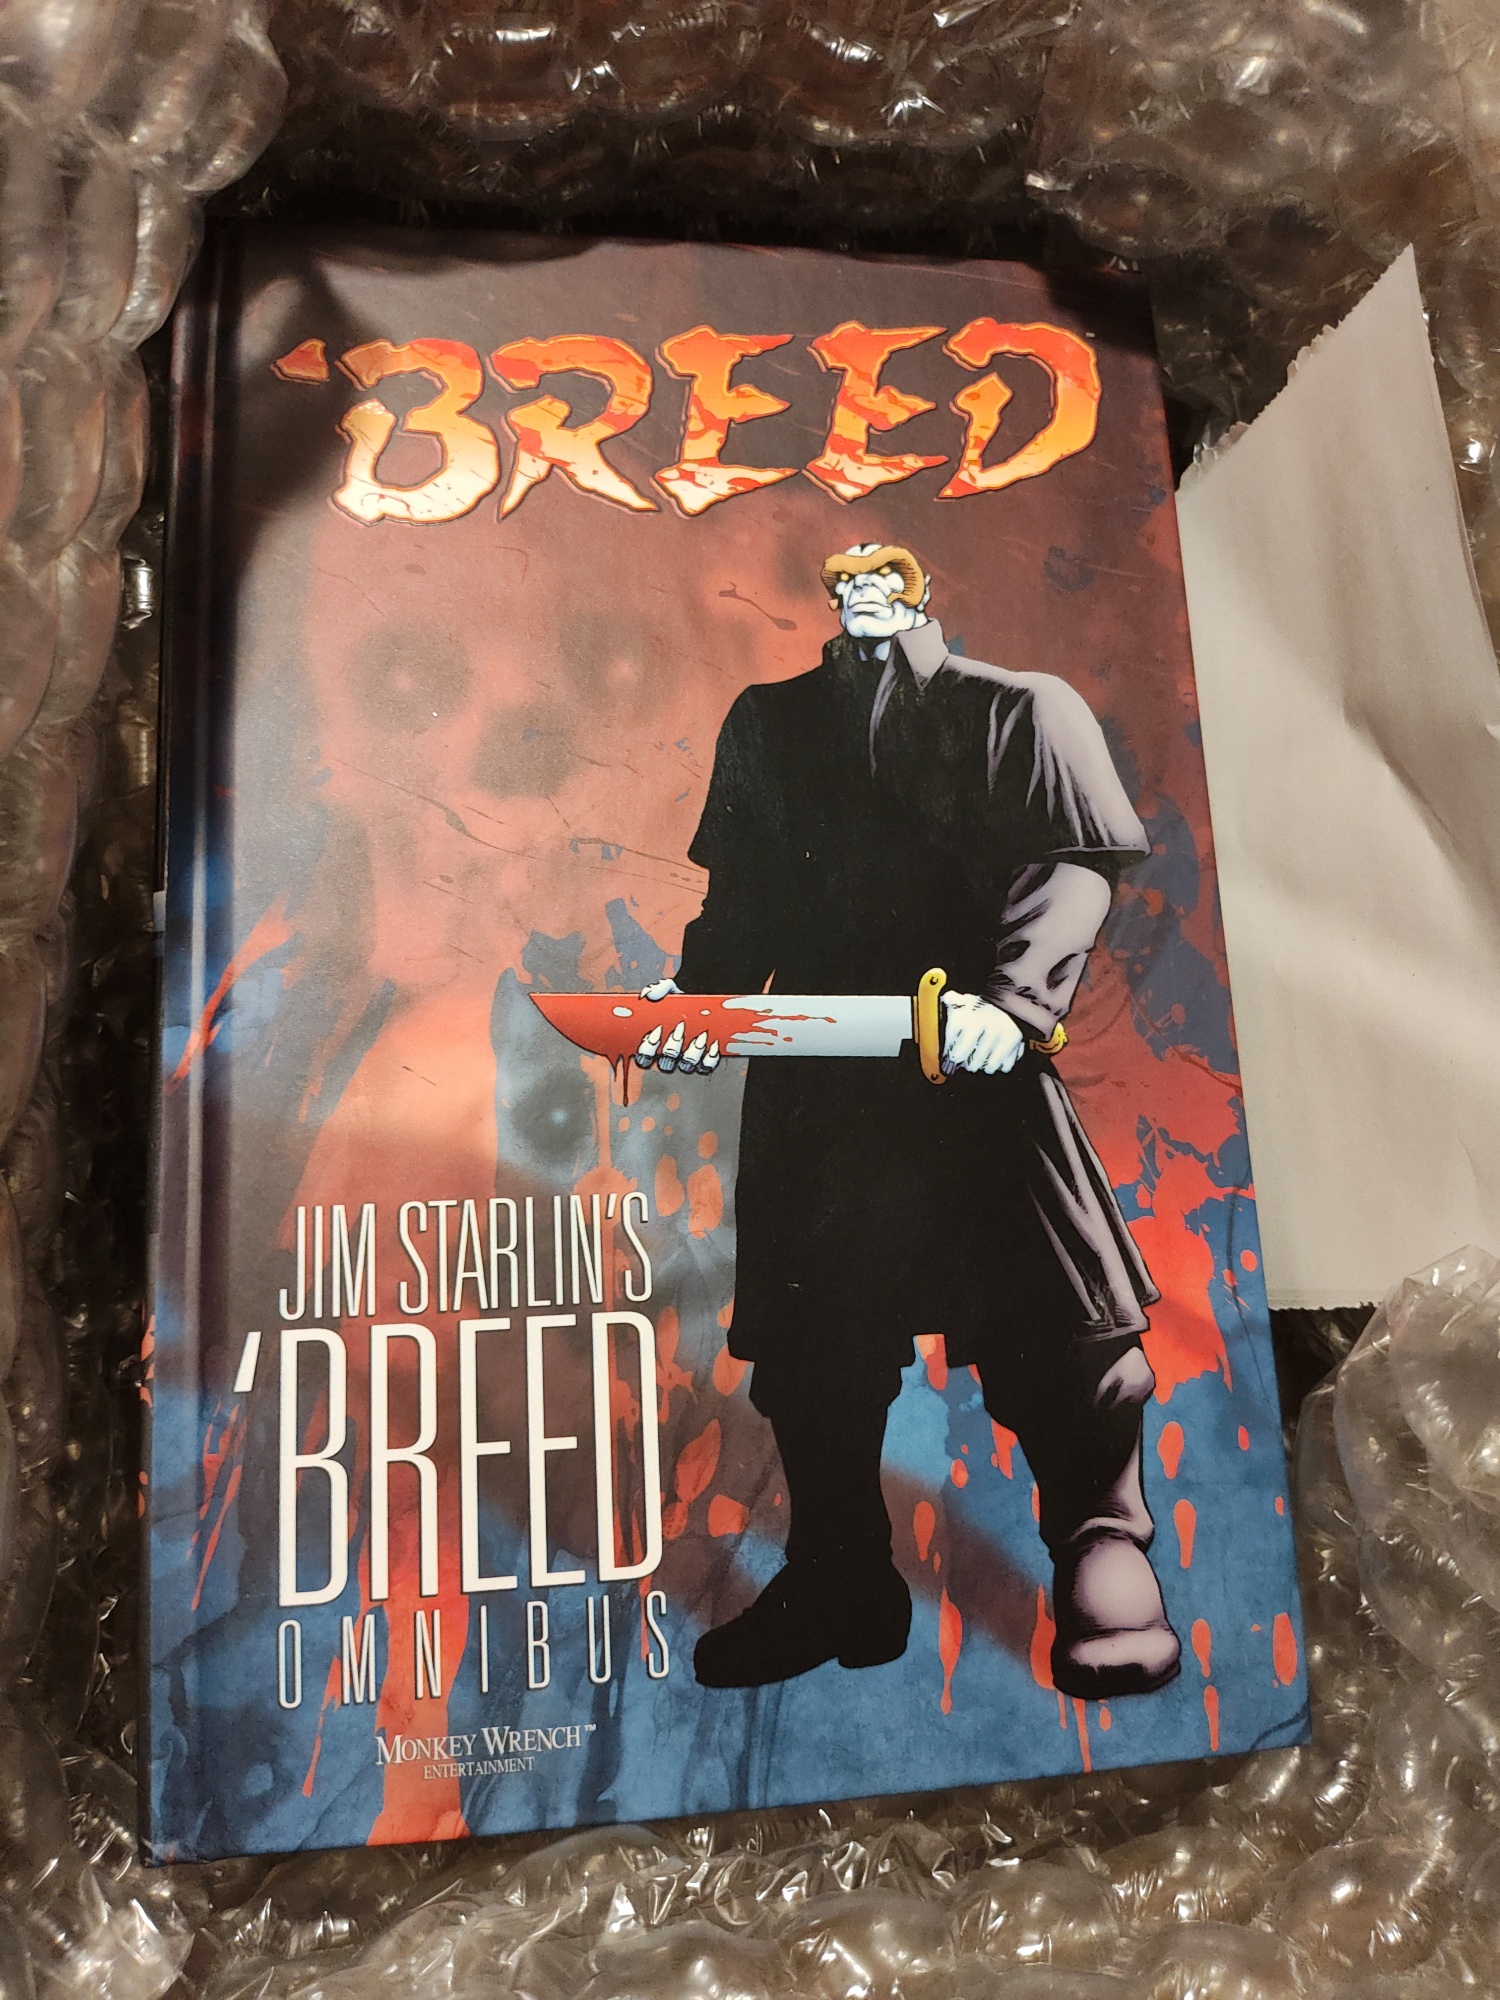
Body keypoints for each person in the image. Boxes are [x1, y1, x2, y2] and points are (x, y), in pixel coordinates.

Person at [636, 542, 1181, 1700]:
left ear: (921, 587)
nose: (862, 596)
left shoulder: (1017, 710)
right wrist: (697, 1006)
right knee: (812, 1352)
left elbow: (1073, 861)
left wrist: (1017, 1000)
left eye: (883, 577)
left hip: (976, 1067)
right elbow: (741, 902)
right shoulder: (773, 721)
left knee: (1065, 1328)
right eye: (846, 582)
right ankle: (842, 1575)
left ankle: (1106, 1548)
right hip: (822, 1080)